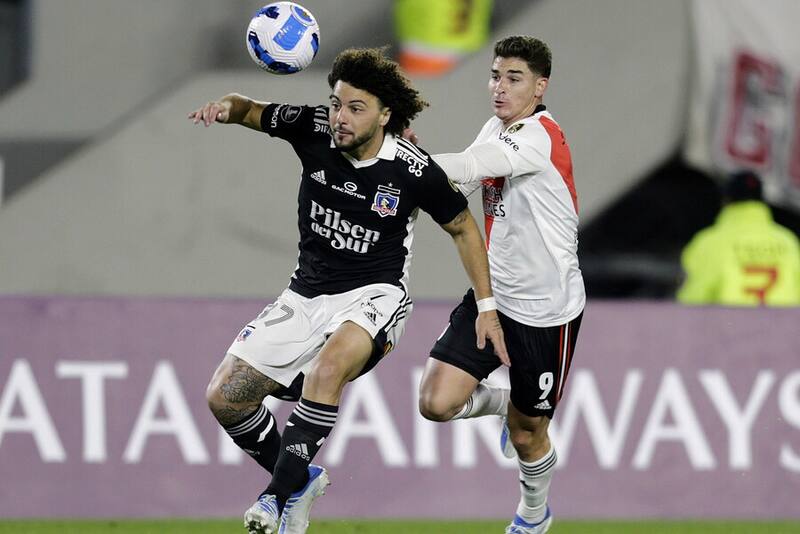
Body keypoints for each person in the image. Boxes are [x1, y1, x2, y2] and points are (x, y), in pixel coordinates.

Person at [189, 47, 508, 534]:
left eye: (355, 108)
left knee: (328, 367)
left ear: (385, 115)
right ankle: (300, 482)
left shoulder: (412, 170)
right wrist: (223, 109)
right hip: (304, 295)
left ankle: (273, 500)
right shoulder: (312, 128)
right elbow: (247, 107)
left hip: (375, 295)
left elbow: (464, 228)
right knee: (224, 398)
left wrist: (487, 307)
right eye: (337, 103)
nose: (340, 117)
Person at [415, 36, 585, 534]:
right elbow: (459, 184)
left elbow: (467, 168)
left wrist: (397, 161)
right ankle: (501, 405)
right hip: (494, 299)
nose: (499, 87)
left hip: (546, 312)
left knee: (529, 435)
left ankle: (534, 516)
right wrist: (413, 162)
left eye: (513, 78)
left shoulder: (538, 135)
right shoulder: (497, 127)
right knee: (435, 404)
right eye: (494, 75)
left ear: (540, 86)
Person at [677, 170, 800, 306]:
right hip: (782, 325)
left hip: (727, 326)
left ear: (726, 200)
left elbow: (692, 300)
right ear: (761, 200)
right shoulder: (788, 241)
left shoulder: (708, 242)